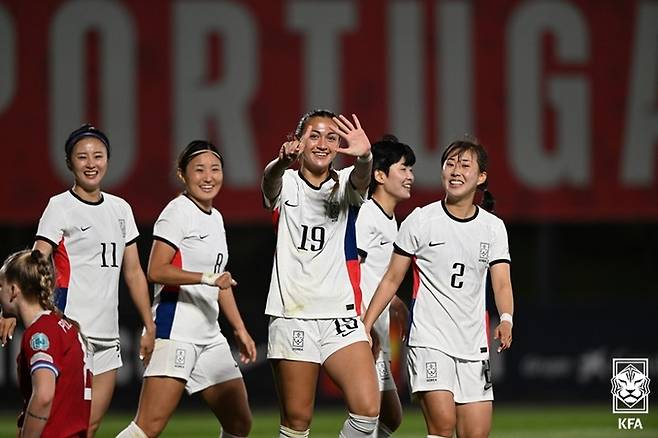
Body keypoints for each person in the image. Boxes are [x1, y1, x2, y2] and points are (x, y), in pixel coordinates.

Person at [0, 124, 155, 437]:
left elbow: (134, 272)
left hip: (108, 336)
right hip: (70, 332)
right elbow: (37, 259)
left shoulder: (121, 208)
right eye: (82, 156)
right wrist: (10, 309)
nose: (91, 162)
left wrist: (148, 325)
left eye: (98, 155)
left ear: (108, 160)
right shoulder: (60, 206)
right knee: (58, 425)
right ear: (69, 162)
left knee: (88, 426)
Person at [363, 138, 514, 438]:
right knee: (442, 426)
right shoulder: (421, 220)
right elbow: (392, 279)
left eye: (464, 165)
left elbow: (501, 281)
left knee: (476, 433)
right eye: (450, 164)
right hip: (429, 341)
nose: (455, 171)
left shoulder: (493, 228)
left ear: (481, 177)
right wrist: (366, 325)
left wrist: (507, 318)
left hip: (473, 346)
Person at [117, 140, 257, 438]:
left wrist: (240, 329)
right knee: (148, 427)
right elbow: (156, 270)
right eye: (199, 170)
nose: (209, 177)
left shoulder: (216, 218)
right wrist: (208, 278)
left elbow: (221, 281)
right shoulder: (177, 212)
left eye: (215, 169)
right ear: (182, 174)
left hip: (209, 335)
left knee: (239, 423)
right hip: (175, 330)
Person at [262, 109, 380, 438]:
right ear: (298, 142)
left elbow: (361, 178)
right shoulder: (284, 181)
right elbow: (269, 181)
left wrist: (366, 157)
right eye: (314, 135)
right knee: (298, 423)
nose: (323, 143)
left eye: (332, 137)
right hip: (293, 314)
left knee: (368, 411)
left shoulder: (345, 183)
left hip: (339, 314)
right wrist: (281, 163)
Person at [355, 135, 415, 437]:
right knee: (368, 416)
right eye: (403, 169)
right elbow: (349, 271)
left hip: (375, 326)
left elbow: (376, 275)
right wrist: (361, 325)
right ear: (379, 175)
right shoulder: (366, 215)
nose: (410, 177)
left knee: (390, 417)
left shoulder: (390, 220)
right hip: (361, 328)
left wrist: (395, 303)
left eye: (410, 170)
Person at [0, 249, 92, 437]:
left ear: (13, 290)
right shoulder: (63, 326)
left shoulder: (40, 333)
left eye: (0, 285)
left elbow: (43, 396)